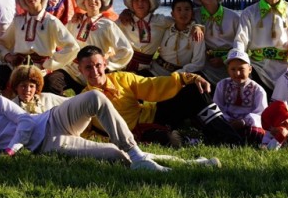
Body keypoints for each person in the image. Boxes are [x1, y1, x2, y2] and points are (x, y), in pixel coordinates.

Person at [0, 79, 218, 171]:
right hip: (48, 144)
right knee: (115, 155)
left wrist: (12, 148)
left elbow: (24, 120)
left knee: (95, 97)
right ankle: (189, 164)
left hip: (49, 120)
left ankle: (138, 155)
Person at [73, 45, 223, 143]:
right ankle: (188, 138)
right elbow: (84, 134)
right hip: (136, 134)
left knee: (194, 88)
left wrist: (189, 78)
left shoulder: (122, 78)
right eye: (88, 67)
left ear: (105, 64)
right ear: (80, 70)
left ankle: (225, 134)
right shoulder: (82, 100)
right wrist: (112, 140)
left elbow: (153, 85)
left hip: (152, 116)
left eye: (98, 65)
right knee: (165, 139)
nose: (95, 71)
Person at [0, 0, 79, 96]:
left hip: (41, 70)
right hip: (17, 68)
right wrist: (8, 56)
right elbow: (1, 42)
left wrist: (49, 64)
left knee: (48, 87)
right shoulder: (18, 21)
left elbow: (72, 47)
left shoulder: (51, 21)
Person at [63, 0, 132, 91]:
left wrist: (107, 64)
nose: (92, 1)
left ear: (102, 1)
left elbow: (126, 50)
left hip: (95, 73)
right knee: (52, 82)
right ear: (83, 1)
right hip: (73, 70)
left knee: (94, 98)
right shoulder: (75, 22)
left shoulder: (107, 25)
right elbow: (61, 40)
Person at [187, 0, 240, 84]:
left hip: (230, 65)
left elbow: (241, 44)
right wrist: (194, 25)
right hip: (204, 66)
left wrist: (225, 59)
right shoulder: (194, 15)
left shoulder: (233, 17)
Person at [211, 49, 267, 144]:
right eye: (233, 69)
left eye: (241, 69)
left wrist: (244, 122)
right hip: (227, 123)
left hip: (247, 125)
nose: (237, 73)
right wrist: (228, 121)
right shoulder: (222, 85)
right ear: (228, 70)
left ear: (250, 69)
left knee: (254, 133)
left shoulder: (258, 90)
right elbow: (217, 107)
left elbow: (261, 114)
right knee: (214, 127)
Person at [117, 0, 173, 74]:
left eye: (144, 0)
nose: (140, 3)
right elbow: (106, 29)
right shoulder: (124, 20)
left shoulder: (160, 21)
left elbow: (181, 21)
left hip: (148, 69)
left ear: (151, 2)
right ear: (131, 3)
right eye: (136, 0)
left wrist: (195, 26)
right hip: (123, 67)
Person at [150, 0, 206, 77]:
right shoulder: (165, 27)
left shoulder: (196, 34)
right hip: (155, 70)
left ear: (192, 14)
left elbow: (198, 63)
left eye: (187, 9)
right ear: (172, 14)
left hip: (179, 75)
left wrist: (178, 74)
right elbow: (148, 19)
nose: (183, 13)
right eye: (179, 9)